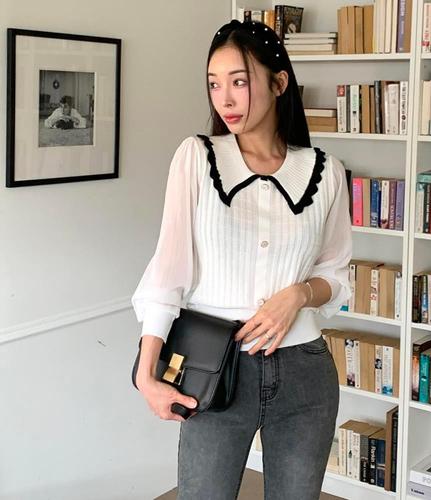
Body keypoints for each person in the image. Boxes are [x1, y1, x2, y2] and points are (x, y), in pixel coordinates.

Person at [131, 19, 353, 500]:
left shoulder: (326, 172)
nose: (225, 99)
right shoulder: (196, 157)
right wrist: (145, 373)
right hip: (216, 366)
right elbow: (168, 272)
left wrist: (297, 295)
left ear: (279, 82)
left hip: (305, 371)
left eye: (239, 81)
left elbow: (336, 275)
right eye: (214, 84)